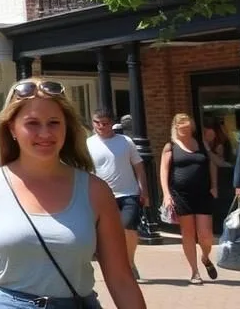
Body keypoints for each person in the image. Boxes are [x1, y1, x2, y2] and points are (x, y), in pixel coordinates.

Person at [0, 79, 145, 309]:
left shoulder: (96, 191)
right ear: (12, 128)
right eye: (32, 123)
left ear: (66, 127)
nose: (45, 133)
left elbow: (121, 278)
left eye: (54, 122)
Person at [87, 109, 149, 279]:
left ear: (112, 123)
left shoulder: (125, 142)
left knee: (127, 227)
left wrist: (144, 190)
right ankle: (115, 265)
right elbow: (86, 171)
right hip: (103, 195)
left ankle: (129, 261)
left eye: (104, 123)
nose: (100, 126)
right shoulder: (89, 144)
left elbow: (139, 167)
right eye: (97, 123)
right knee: (105, 234)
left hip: (128, 193)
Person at [160, 112, 217, 284]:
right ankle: (194, 272)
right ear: (175, 128)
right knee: (188, 234)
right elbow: (163, 171)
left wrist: (214, 185)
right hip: (181, 195)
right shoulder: (170, 146)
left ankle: (205, 258)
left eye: (188, 128)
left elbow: (211, 163)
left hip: (202, 193)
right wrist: (166, 194)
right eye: (182, 128)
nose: (185, 131)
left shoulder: (200, 144)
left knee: (206, 235)